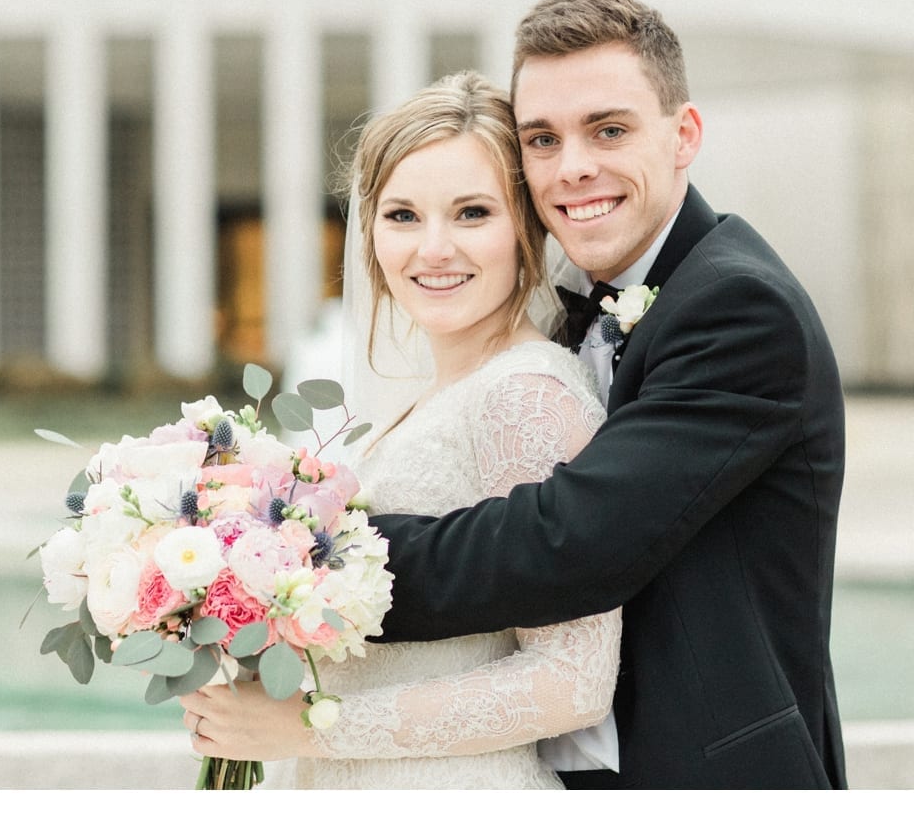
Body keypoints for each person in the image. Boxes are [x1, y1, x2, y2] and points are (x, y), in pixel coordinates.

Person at [367, 0, 849, 789]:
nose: (574, 166)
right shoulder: (562, 314)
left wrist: (311, 563)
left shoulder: (739, 308)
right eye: (543, 138)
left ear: (683, 133)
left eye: (609, 129)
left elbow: (569, 541)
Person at [178, 71, 620, 789]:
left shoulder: (524, 396)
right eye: (403, 215)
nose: (433, 248)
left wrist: (310, 727)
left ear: (526, 229)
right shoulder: (427, 395)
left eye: (472, 213)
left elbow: (572, 679)